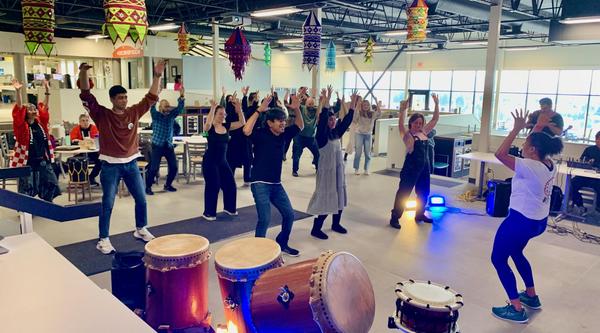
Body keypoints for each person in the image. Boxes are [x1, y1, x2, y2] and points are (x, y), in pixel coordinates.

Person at [78, 60, 165, 254]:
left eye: (125, 97)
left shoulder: (133, 112)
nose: (124, 101)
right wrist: (83, 73)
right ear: (112, 99)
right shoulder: (102, 114)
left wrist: (157, 76)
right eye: (120, 98)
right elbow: (86, 95)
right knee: (107, 203)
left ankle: (140, 228)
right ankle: (103, 239)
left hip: (131, 163)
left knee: (141, 199)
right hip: (110, 166)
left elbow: (151, 97)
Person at [491, 109, 563, 323]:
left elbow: (500, 154)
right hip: (538, 222)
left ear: (532, 150)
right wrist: (537, 126)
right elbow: (537, 143)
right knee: (516, 252)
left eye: (524, 145)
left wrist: (515, 129)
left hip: (520, 221)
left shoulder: (530, 166)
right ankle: (531, 296)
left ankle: (516, 308)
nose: (521, 147)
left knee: (498, 259)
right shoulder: (549, 163)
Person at [243, 94, 304, 256]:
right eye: (279, 120)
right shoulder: (261, 133)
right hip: (260, 183)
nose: (283, 123)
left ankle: (282, 242)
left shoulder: (284, 134)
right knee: (265, 219)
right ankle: (258, 251)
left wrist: (297, 109)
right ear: (270, 123)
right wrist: (259, 110)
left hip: (276, 184)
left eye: (283, 120)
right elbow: (246, 129)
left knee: (289, 215)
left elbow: (300, 125)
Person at [307, 88, 355, 240]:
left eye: (334, 119)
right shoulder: (321, 136)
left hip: (338, 171)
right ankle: (316, 228)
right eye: (329, 119)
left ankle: (336, 224)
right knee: (326, 198)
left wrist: (353, 103)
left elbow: (347, 120)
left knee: (339, 195)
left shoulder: (336, 132)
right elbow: (321, 123)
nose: (333, 121)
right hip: (326, 172)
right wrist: (326, 102)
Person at [389, 94, 440, 229]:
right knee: (404, 193)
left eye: (420, 123)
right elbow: (400, 126)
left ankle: (419, 214)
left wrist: (436, 104)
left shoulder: (424, 132)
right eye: (416, 123)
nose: (418, 125)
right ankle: (395, 217)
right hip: (410, 169)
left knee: (423, 193)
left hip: (424, 168)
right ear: (411, 123)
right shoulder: (408, 136)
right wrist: (402, 111)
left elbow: (435, 119)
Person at [10, 79, 60, 202]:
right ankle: (26, 210)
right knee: (28, 187)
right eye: (30, 109)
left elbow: (44, 108)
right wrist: (18, 92)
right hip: (27, 161)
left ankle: (48, 204)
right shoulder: (22, 127)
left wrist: (47, 92)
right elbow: (19, 109)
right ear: (25, 113)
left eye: (34, 109)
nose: (34, 110)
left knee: (50, 183)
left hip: (42, 160)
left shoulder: (40, 123)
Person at [201, 96, 245, 221]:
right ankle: (209, 213)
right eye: (220, 114)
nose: (223, 116)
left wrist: (239, 109)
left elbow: (242, 123)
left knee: (230, 185)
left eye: (224, 114)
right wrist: (213, 107)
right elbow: (207, 124)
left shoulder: (226, 126)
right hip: (210, 162)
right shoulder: (209, 128)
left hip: (222, 161)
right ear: (215, 114)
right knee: (213, 186)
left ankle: (230, 208)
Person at [145, 86, 185, 195]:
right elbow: (151, 106)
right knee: (153, 168)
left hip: (168, 146)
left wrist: (181, 95)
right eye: (165, 106)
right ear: (160, 107)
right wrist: (156, 94)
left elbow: (179, 108)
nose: (168, 108)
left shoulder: (171, 116)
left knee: (174, 167)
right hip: (157, 145)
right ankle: (147, 186)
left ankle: (168, 184)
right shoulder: (156, 115)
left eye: (168, 106)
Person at [227, 86, 253, 185]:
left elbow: (247, 108)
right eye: (235, 103)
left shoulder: (244, 114)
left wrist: (245, 96)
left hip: (245, 141)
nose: (238, 104)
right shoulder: (231, 116)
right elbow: (229, 110)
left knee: (247, 161)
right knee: (232, 162)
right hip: (234, 142)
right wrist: (231, 103)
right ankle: (229, 180)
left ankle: (247, 178)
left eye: (239, 103)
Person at [569, 130, 600, 214]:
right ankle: (580, 205)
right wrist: (588, 162)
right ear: (596, 140)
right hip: (585, 176)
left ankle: (598, 209)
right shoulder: (589, 149)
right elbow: (582, 161)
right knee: (572, 183)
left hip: (597, 179)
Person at [353, 97, 382, 175]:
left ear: (369, 106)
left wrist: (377, 102)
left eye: (367, 105)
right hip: (359, 134)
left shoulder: (372, 113)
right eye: (364, 105)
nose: (365, 106)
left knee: (367, 153)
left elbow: (379, 113)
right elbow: (354, 120)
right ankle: (356, 168)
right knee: (358, 152)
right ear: (362, 106)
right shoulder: (359, 112)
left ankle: (366, 169)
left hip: (368, 135)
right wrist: (357, 106)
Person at [70, 113, 101, 186]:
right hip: (80, 152)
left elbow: (96, 139)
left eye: (87, 120)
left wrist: (82, 141)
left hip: (92, 152)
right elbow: (73, 140)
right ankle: (80, 179)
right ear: (79, 122)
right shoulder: (75, 129)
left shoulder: (94, 128)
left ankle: (91, 177)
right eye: (83, 121)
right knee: (74, 161)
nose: (85, 122)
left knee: (101, 161)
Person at [292, 95, 319, 177]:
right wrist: (299, 96)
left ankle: (318, 167)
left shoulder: (315, 111)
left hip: (311, 138)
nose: (310, 106)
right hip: (299, 137)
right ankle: (294, 170)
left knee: (317, 153)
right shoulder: (303, 108)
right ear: (306, 103)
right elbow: (296, 105)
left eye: (312, 104)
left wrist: (323, 99)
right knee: (296, 154)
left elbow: (322, 109)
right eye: (309, 104)